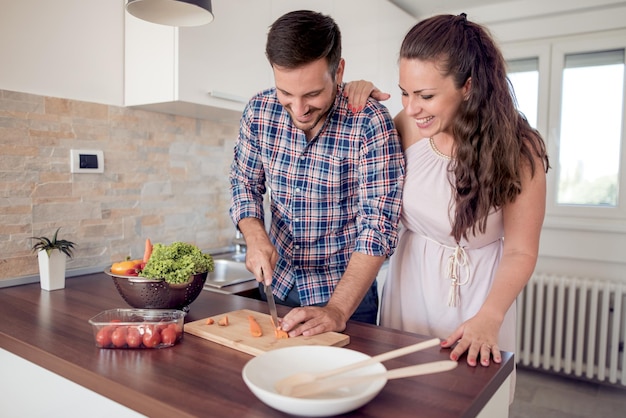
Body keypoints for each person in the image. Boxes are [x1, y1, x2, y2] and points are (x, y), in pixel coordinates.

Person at [346, 13, 549, 397]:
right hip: (409, 285)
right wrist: (355, 101)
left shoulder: (520, 149)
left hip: (481, 298)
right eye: (404, 91)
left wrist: (489, 317)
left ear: (468, 86)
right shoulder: (405, 125)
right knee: (399, 399)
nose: (412, 107)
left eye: (425, 95)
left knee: (466, 399)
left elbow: (522, 250)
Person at [229, 10, 405, 337]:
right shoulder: (258, 112)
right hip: (277, 289)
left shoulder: (370, 122)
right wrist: (254, 236)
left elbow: (378, 225)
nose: (299, 110)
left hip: (346, 300)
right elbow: (244, 184)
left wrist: (337, 310)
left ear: (338, 71)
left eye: (312, 94)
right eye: (286, 94)